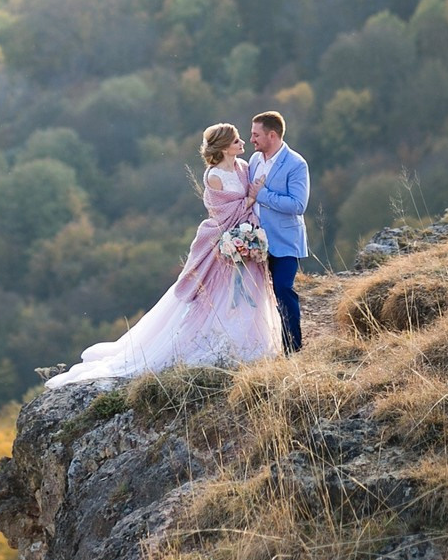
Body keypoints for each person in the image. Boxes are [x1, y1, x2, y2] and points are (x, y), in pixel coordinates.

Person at [40, 123, 282, 388]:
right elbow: (223, 213)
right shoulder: (214, 176)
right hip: (222, 241)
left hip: (244, 240)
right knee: (218, 295)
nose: (243, 143)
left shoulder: (243, 167)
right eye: (236, 140)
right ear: (224, 147)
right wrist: (251, 199)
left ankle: (249, 343)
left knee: (248, 292)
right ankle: (219, 342)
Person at [245, 110, 309, 354]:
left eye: (256, 135)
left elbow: (298, 205)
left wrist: (262, 194)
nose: (251, 139)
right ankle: (257, 349)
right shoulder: (254, 160)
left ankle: (293, 350)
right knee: (254, 296)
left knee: (283, 289)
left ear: (272, 135)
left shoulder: (296, 164)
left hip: (285, 241)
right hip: (254, 242)